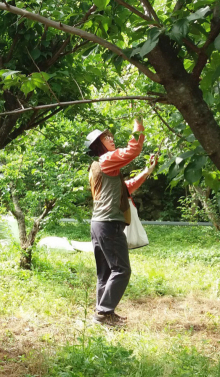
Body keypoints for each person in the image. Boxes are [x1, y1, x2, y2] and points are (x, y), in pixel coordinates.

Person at [85, 117, 156, 325]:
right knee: (121, 270)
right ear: (98, 144)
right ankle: (103, 313)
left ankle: (104, 313)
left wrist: (147, 171)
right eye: (106, 137)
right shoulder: (106, 160)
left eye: (110, 135)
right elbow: (133, 150)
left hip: (99, 223)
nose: (111, 138)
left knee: (106, 273)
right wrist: (138, 125)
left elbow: (127, 187)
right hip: (108, 224)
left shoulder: (102, 167)